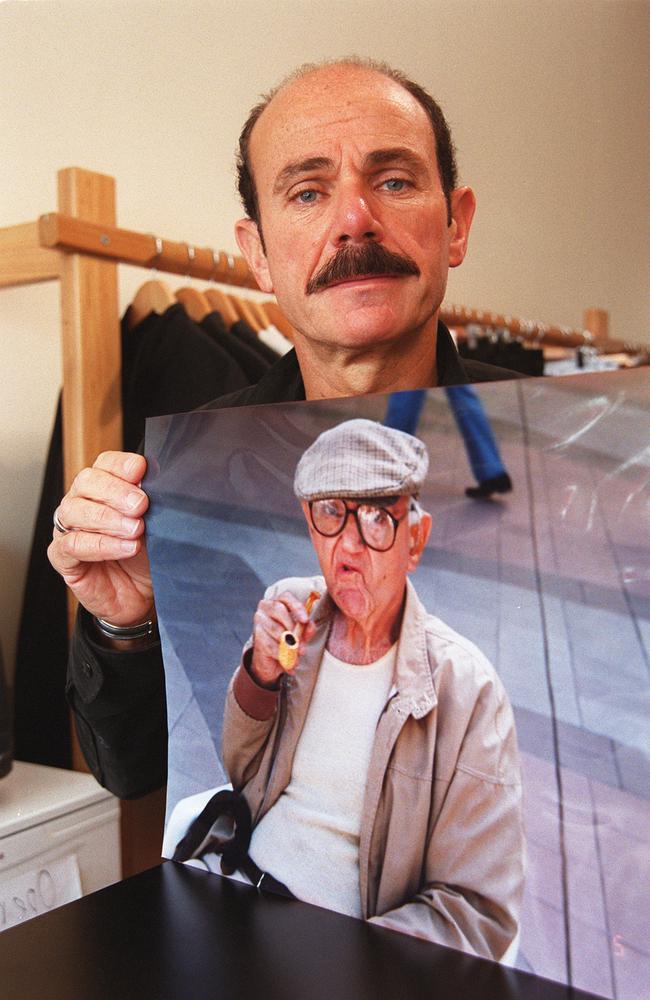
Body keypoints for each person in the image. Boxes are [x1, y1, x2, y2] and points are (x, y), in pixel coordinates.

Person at [48, 57, 523, 799]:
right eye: (307, 192)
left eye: (393, 181)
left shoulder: (562, 457)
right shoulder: (186, 472)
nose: (354, 220)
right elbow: (134, 773)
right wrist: (126, 625)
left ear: (455, 225)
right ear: (258, 256)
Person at [212, 419, 523, 960]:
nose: (349, 546)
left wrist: (357, 960)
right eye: (331, 512)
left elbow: (476, 909)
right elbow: (242, 771)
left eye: (377, 518)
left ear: (415, 540)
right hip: (238, 885)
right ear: (309, 524)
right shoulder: (294, 613)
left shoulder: (467, 691)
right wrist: (259, 674)